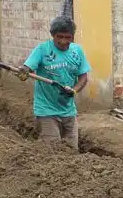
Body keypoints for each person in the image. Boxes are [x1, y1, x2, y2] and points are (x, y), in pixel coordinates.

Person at [17, 15, 90, 151]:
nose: (63, 41)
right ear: (53, 35)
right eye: (59, 37)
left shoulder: (77, 51)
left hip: (69, 111)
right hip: (46, 110)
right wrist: (23, 71)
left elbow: (83, 77)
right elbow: (27, 70)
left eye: (68, 37)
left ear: (72, 37)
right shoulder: (42, 50)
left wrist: (74, 90)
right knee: (52, 152)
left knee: (72, 152)